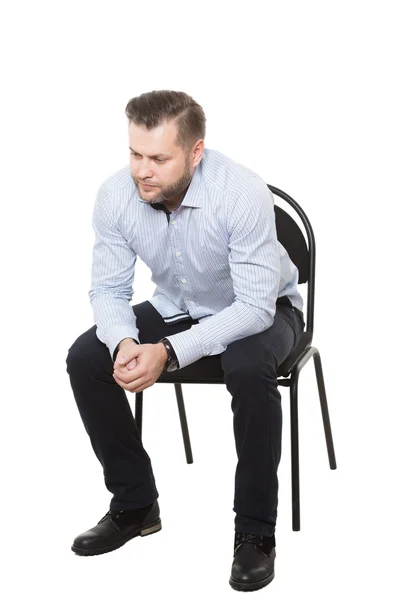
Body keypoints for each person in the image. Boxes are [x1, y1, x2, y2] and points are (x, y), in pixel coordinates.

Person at [66, 90, 305, 592]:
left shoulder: (239, 192)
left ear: (196, 152)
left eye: (158, 158)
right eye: (135, 154)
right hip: (181, 306)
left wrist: (170, 352)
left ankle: (255, 533)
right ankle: (135, 505)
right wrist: (123, 341)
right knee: (86, 357)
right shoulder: (116, 195)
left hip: (263, 309)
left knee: (247, 366)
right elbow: (108, 289)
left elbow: (255, 308)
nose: (142, 171)